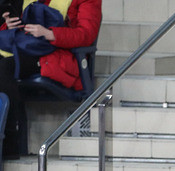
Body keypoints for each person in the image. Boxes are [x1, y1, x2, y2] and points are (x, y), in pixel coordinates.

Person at [0, 0, 101, 157]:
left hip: (59, 56)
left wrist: (50, 33)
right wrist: (9, 26)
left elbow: (86, 35)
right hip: (27, 47)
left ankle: (9, 142)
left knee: (5, 68)